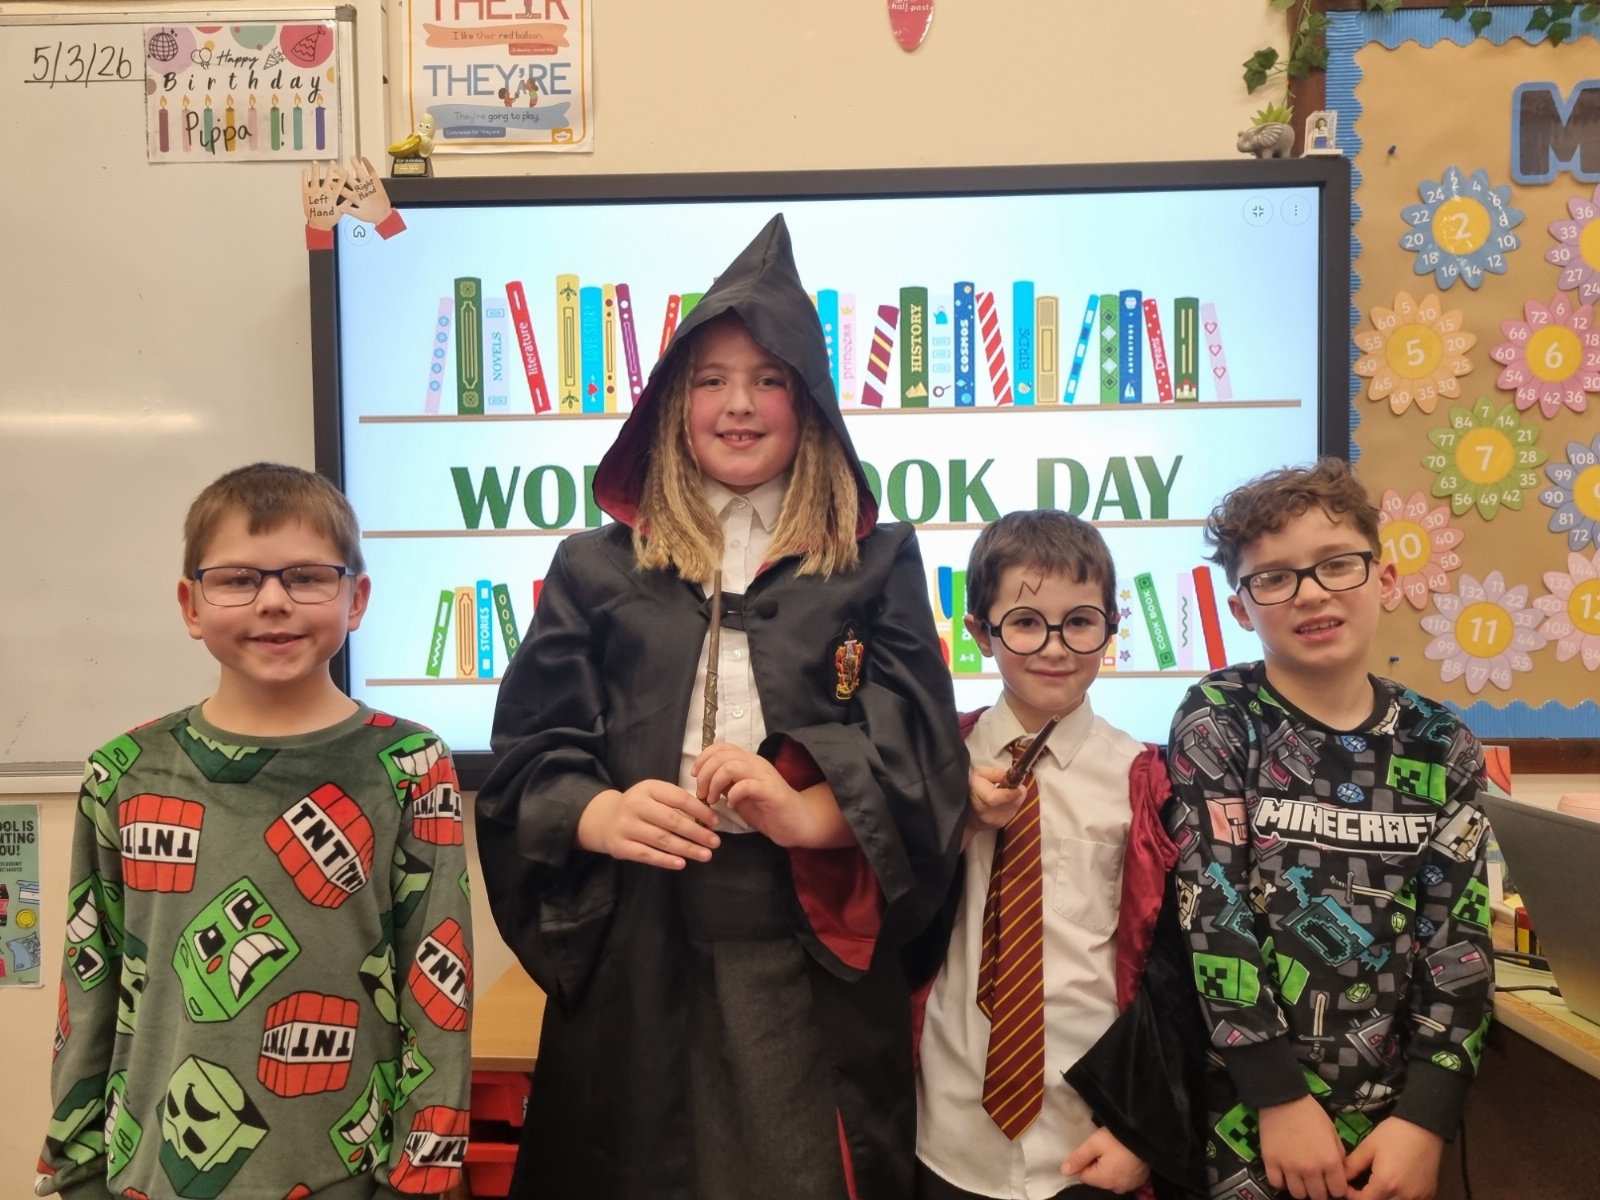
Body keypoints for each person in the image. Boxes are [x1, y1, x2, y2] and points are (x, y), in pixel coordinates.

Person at [475, 215, 968, 1200]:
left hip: (807, 954)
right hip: (637, 944)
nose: (738, 405)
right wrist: (601, 813)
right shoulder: (594, 568)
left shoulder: (874, 564)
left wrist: (810, 811)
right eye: (710, 380)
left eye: (768, 379)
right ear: (673, 405)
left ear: (809, 402)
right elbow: (529, 753)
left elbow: (920, 755)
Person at [37, 463, 473, 1200]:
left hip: (348, 1178)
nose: (274, 601)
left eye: (307, 577)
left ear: (356, 599)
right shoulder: (126, 771)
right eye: (238, 579)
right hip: (153, 1175)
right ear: (191, 604)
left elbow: (438, 987)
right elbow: (91, 980)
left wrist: (419, 1178)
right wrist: (75, 1171)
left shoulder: (411, 765)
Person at [1170, 459, 1492, 1200]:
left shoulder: (1439, 742)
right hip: (1246, 1117)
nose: (1310, 592)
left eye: (1336, 564)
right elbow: (1211, 912)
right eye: (1274, 578)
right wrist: (1278, 1098)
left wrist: (1426, 1119)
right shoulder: (1219, 718)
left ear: (1384, 578)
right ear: (1241, 608)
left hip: (1393, 1122)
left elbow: (1459, 937)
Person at [916, 510, 1200, 1200]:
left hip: (1091, 1133)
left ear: (1111, 627)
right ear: (980, 632)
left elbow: (1175, 972)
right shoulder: (932, 763)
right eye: (1024, 623)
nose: (1054, 647)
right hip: (943, 1129)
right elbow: (882, 915)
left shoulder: (1146, 781)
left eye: (1079, 622)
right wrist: (950, 817)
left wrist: (1144, 1128)